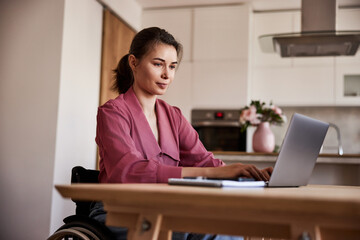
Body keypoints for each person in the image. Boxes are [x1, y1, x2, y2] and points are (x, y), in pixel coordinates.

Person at [90, 27, 273, 240]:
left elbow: (204, 161)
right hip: (119, 211)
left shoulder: (173, 116)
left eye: (173, 66)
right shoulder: (112, 113)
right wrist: (214, 174)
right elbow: (128, 172)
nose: (167, 75)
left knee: (234, 227)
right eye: (158, 64)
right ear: (133, 62)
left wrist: (244, 174)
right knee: (209, 235)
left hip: (167, 207)